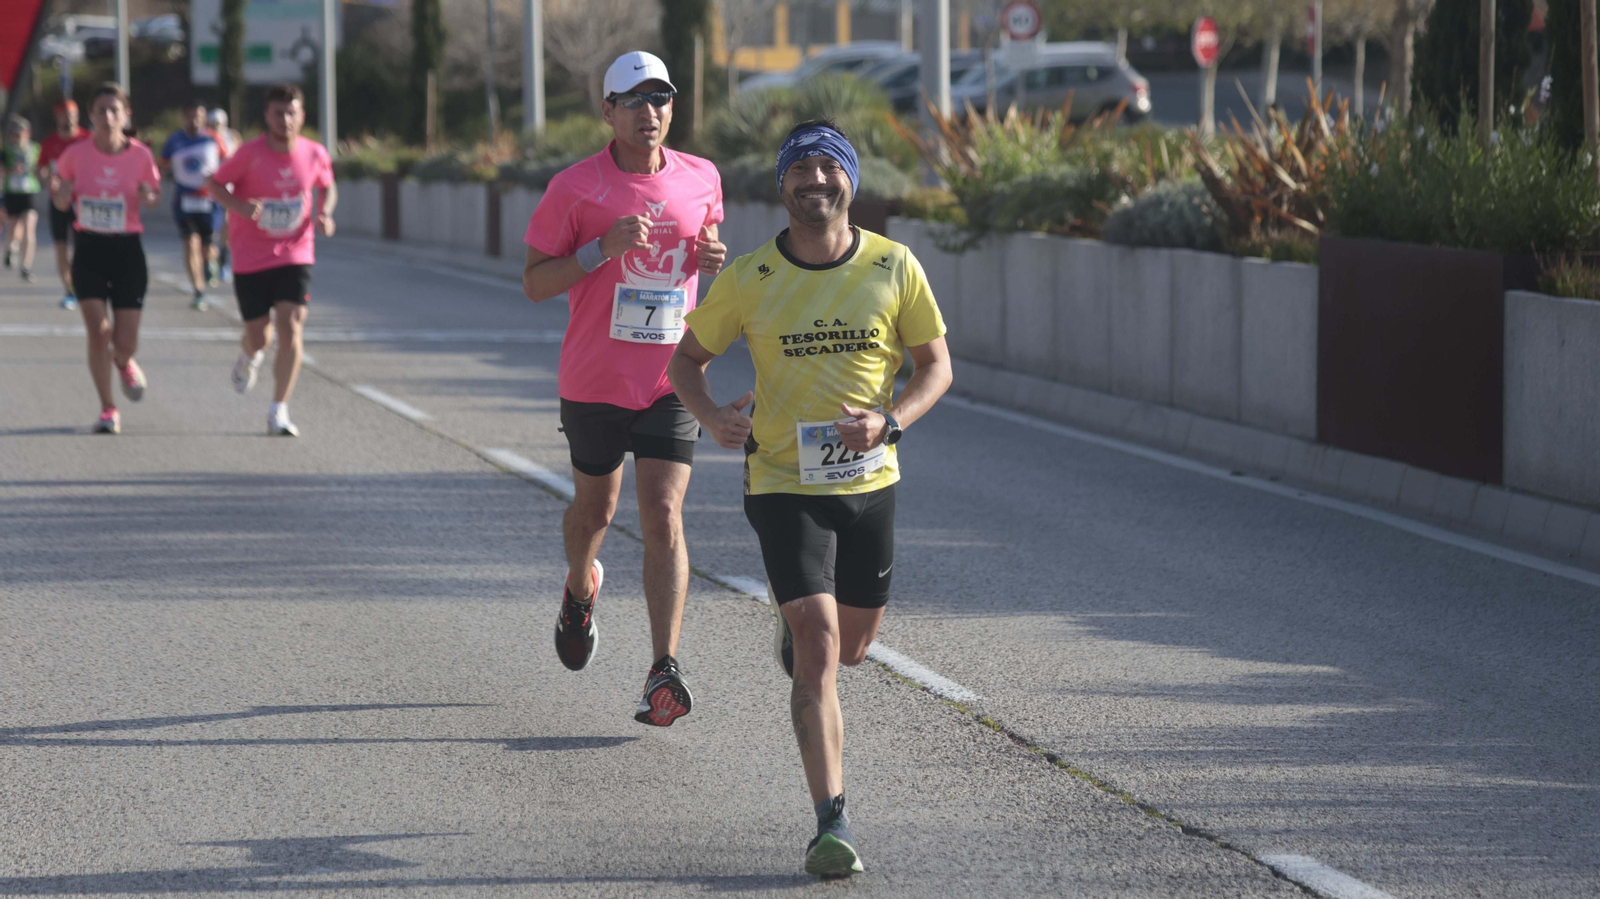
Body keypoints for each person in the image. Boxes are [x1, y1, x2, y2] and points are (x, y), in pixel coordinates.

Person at [667, 118, 952, 876]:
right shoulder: (753, 276)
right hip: (783, 483)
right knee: (821, 646)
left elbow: (936, 368)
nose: (815, 182)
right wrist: (712, 416)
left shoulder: (894, 266)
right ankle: (832, 821)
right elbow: (686, 360)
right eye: (801, 171)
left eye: (829, 170)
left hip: (870, 487)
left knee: (850, 648)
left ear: (850, 183)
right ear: (781, 185)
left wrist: (890, 422)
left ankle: (804, 640)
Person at [520, 50, 726, 727]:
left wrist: (713, 259)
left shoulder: (702, 177)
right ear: (608, 112)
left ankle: (663, 666)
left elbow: (707, 245)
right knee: (595, 515)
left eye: (661, 98)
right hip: (594, 381)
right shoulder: (575, 188)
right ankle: (580, 588)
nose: (651, 112)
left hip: (671, 379)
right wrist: (598, 251)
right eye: (635, 100)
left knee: (664, 512)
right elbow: (533, 282)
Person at [204, 83, 335, 438]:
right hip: (250, 256)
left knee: (292, 325)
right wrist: (241, 208)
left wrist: (324, 213)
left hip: (296, 250)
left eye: (292, 112)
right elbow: (214, 185)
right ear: (267, 116)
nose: (285, 120)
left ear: (302, 116)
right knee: (260, 337)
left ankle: (279, 409)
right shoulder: (249, 154)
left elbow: (327, 183)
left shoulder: (314, 152)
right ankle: (248, 355)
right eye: (279, 113)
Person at [52, 83, 162, 435]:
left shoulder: (142, 156)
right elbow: (57, 195)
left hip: (128, 251)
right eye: (101, 111)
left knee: (125, 340)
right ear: (91, 116)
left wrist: (149, 197)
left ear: (126, 115)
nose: (108, 117)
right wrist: (62, 195)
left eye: (115, 110)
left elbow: (154, 197)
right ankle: (107, 408)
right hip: (90, 249)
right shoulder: (75, 154)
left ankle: (124, 361)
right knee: (98, 333)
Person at [160, 100, 227, 309]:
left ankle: (212, 261)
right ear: (184, 118)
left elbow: (228, 163)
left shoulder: (213, 139)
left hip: (209, 201)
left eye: (198, 116)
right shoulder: (174, 140)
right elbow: (161, 165)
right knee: (190, 245)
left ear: (204, 117)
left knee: (208, 247)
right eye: (190, 116)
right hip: (184, 200)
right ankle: (198, 291)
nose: (194, 120)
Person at [37, 100, 90, 309]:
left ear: (78, 116)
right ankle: (70, 291)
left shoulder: (88, 139)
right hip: (58, 202)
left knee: (81, 248)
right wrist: (46, 178)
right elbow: (40, 169)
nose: (68, 118)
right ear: (57, 117)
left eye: (72, 114)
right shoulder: (49, 143)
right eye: (64, 114)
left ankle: (83, 287)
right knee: (60, 247)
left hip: (83, 203)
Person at [1, 116, 41, 282]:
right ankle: (10, 248)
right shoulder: (6, 151)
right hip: (12, 192)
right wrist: (12, 170)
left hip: (29, 191)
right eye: (14, 134)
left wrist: (39, 174)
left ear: (27, 133)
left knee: (29, 227)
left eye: (21, 133)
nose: (17, 137)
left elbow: (41, 169)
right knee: (13, 229)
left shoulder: (35, 148)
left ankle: (26, 266)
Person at [205, 107, 240, 283]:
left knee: (227, 226)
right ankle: (209, 262)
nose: (216, 127)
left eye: (218, 124)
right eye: (212, 123)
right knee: (212, 229)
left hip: (229, 190)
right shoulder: (205, 138)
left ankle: (223, 262)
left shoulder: (232, 137)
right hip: (211, 191)